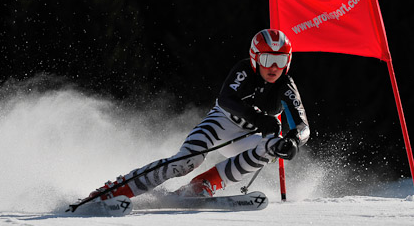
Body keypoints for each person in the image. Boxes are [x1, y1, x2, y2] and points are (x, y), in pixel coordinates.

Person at [86, 29, 310, 201]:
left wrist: (293, 141)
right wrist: (260, 118)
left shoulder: (286, 84)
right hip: (221, 123)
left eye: (280, 61)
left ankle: (204, 183)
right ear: (254, 57)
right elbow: (226, 100)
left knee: (272, 147)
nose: (273, 67)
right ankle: (115, 190)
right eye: (267, 59)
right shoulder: (243, 71)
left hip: (247, 137)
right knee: (186, 161)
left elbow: (303, 126)